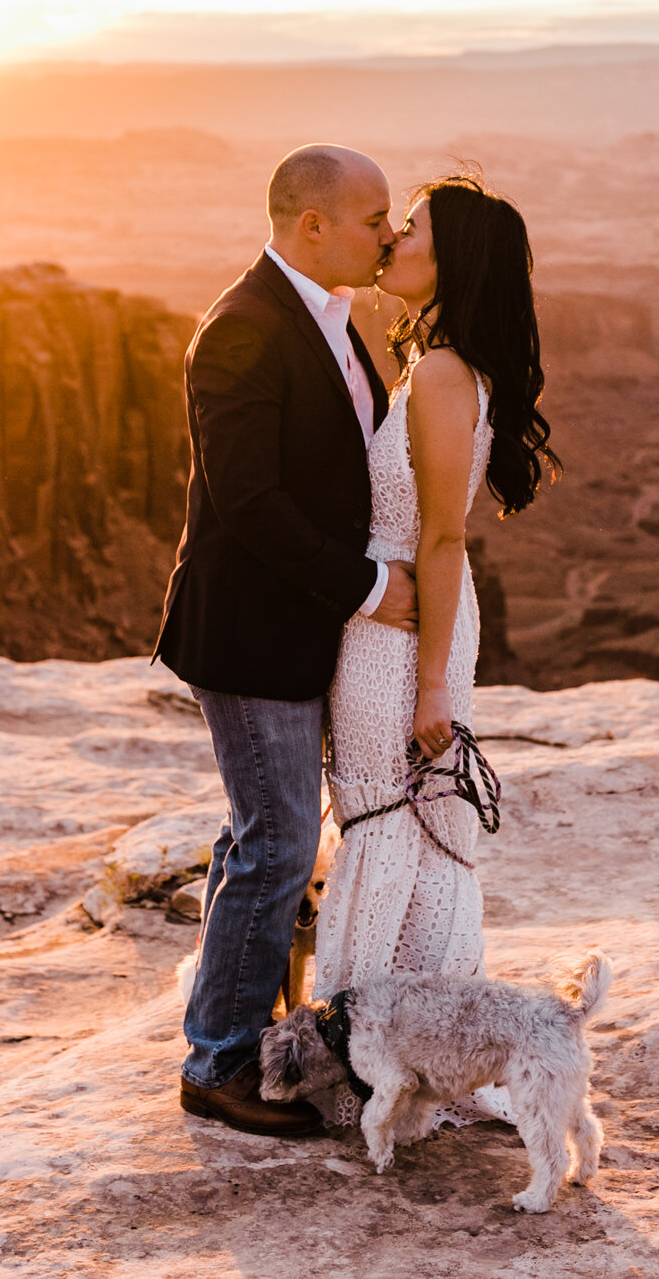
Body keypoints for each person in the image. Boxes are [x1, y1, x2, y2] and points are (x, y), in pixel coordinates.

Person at [155, 143, 419, 1137]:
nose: (387, 234)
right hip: (250, 635)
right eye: (371, 217)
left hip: (296, 630)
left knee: (259, 835)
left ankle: (235, 1028)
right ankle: (218, 1062)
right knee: (275, 843)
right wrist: (364, 588)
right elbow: (248, 501)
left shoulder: (330, 319)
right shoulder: (243, 329)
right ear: (312, 224)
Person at [315, 171, 557, 1011]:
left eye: (409, 227)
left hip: (403, 635)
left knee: (389, 821)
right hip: (394, 620)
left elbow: (445, 534)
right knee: (393, 824)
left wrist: (429, 688)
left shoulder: (448, 374)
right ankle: (402, 1039)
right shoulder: (436, 364)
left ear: (451, 259)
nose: (391, 239)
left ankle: (373, 1052)